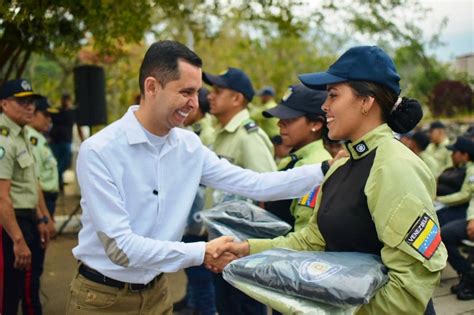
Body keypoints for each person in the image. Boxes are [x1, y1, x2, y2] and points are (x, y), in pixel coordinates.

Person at [66, 40, 330, 315]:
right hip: (102, 299)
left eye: (198, 93)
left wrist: (325, 170)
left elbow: (255, 184)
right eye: (186, 92)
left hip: (158, 293)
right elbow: (121, 248)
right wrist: (202, 252)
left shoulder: (188, 145)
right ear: (152, 87)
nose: (195, 104)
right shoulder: (100, 150)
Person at [216, 46, 448, 314]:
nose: (324, 106)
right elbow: (311, 241)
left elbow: (410, 285)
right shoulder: (342, 165)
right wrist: (246, 250)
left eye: (333, 95)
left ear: (366, 101)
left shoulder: (394, 166)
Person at [203, 67, 276, 315]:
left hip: (240, 247)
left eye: (218, 91)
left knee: (244, 307)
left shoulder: (248, 136)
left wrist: (247, 245)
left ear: (237, 98)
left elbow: (267, 190)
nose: (210, 96)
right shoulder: (222, 134)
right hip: (221, 241)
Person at [0, 79, 52, 315]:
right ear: (4, 104)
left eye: (31, 101)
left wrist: (42, 217)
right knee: (7, 296)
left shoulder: (23, 135)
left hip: (27, 220)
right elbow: (1, 197)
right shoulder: (3, 139)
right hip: (10, 226)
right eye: (21, 101)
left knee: (27, 288)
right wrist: (18, 240)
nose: (29, 106)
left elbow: (33, 182)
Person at [263, 84, 332, 230]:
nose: (279, 123)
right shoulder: (291, 159)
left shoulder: (316, 166)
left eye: (289, 118)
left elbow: (303, 232)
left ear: (315, 124)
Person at [28, 97, 60, 217]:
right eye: (45, 115)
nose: (49, 119)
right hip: (42, 199)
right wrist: (44, 215)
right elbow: (34, 180)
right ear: (33, 114)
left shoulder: (39, 137)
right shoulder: (32, 140)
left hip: (48, 199)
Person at [436, 136, 474, 226]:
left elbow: (465, 195)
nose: (451, 155)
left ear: (465, 155)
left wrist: (439, 200)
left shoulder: (471, 170)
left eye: (454, 152)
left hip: (458, 209)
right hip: (444, 205)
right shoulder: (455, 167)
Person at [49, 93, 84, 191]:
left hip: (66, 141)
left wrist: (83, 140)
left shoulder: (73, 112)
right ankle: (58, 183)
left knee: (65, 161)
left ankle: (57, 177)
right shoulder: (56, 111)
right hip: (54, 141)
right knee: (54, 163)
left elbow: (78, 126)